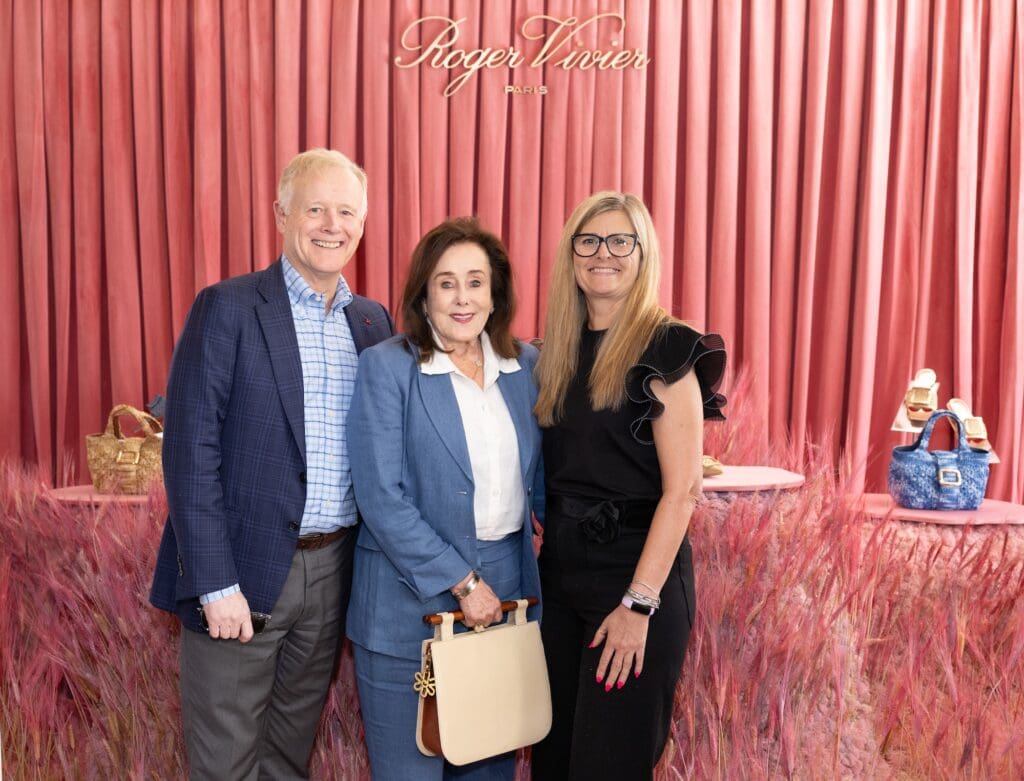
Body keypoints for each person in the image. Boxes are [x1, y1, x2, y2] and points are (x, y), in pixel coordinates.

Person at [150, 148, 394, 779]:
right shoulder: (226, 307)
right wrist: (214, 582)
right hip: (242, 574)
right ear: (283, 212)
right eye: (315, 208)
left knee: (288, 758)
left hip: (334, 570)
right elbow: (189, 451)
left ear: (363, 225)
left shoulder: (372, 323)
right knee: (226, 764)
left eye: (346, 211)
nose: (330, 224)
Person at [530, 192, 726, 779]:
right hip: (560, 579)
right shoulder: (552, 355)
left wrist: (638, 604)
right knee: (554, 759)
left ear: (644, 254)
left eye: (621, 241)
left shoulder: (667, 348)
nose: (603, 254)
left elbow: (684, 489)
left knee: (608, 765)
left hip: (638, 576)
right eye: (588, 241)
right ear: (570, 255)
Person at [346, 217, 544, 780]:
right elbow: (381, 498)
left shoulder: (524, 367)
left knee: (488, 771)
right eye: (447, 282)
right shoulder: (387, 367)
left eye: (476, 282)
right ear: (423, 294)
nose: (463, 298)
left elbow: (547, 481)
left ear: (495, 293)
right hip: (407, 607)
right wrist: (464, 582)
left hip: (505, 601)